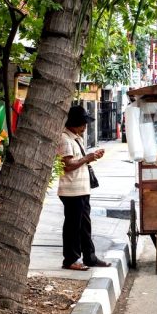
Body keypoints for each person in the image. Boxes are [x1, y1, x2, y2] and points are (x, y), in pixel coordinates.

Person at [57, 106, 110, 271]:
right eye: (82, 124)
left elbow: (78, 161)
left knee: (85, 226)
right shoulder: (65, 139)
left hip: (81, 189)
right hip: (71, 190)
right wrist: (87, 157)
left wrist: (91, 157)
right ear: (74, 123)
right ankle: (71, 259)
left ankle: (89, 257)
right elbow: (68, 165)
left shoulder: (76, 138)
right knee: (73, 226)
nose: (85, 127)